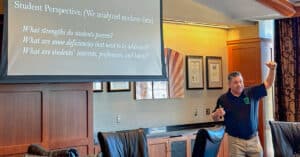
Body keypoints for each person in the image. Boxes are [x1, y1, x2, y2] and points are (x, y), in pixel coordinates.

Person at [211, 61, 277, 157]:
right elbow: (214, 118)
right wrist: (216, 114)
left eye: (241, 81)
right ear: (229, 85)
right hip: (235, 143)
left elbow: (268, 84)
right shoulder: (223, 99)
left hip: (254, 141)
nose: (239, 84)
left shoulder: (251, 92)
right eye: (235, 82)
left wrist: (272, 69)